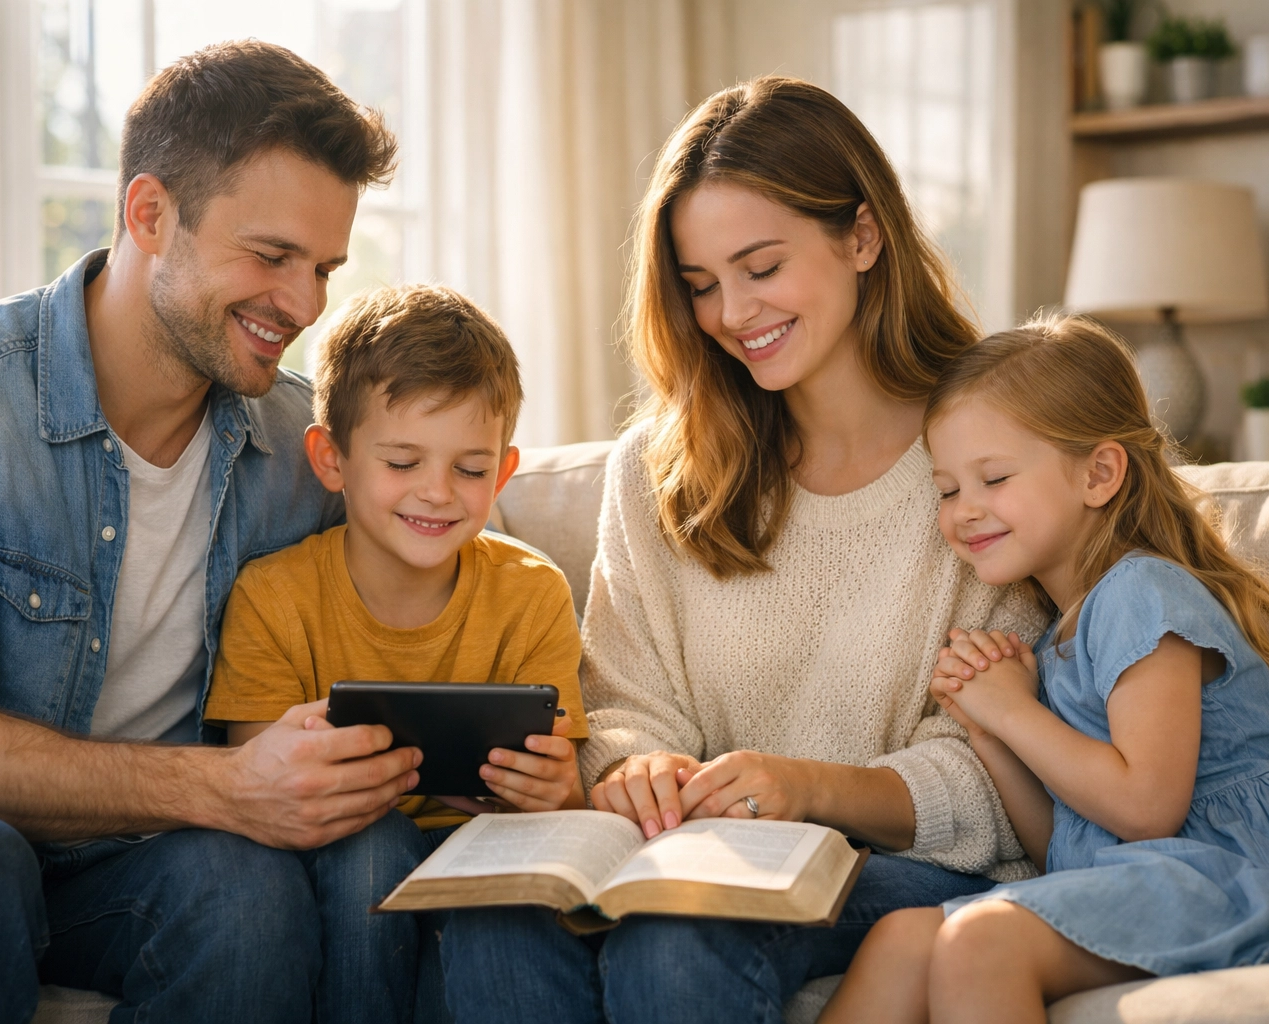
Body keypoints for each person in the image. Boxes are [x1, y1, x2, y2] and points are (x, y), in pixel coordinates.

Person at [441, 75, 1047, 1023]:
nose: (731, 314)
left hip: (908, 871)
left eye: (761, 268)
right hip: (697, 855)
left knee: (682, 936)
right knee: (494, 921)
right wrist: (636, 767)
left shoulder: (987, 456)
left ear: (861, 236)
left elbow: (1002, 772)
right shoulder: (660, 467)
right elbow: (624, 704)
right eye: (700, 285)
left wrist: (803, 788)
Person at [0, 41, 424, 1024]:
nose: (306, 305)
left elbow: (420, 572)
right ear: (150, 214)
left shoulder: (299, 447)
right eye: (272, 255)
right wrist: (221, 785)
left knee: (245, 890)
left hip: (128, 866)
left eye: (325, 268)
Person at [819, 315, 1269, 1024]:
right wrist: (990, 732)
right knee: (903, 938)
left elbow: (1144, 808)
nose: (964, 511)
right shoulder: (1059, 635)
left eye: (995, 477)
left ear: (1099, 474)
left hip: (1233, 878)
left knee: (983, 940)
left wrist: (1016, 712)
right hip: (1144, 877)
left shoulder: (1143, 593)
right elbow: (1067, 850)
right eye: (948, 489)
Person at [204, 283, 589, 1023]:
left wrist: (554, 789)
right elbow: (258, 783)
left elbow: (564, 795)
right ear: (332, 460)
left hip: (479, 865)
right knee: (371, 847)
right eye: (403, 462)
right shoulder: (273, 597)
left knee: (499, 910)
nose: (438, 493)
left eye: (470, 470)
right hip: (338, 869)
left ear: (503, 473)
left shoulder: (534, 592)